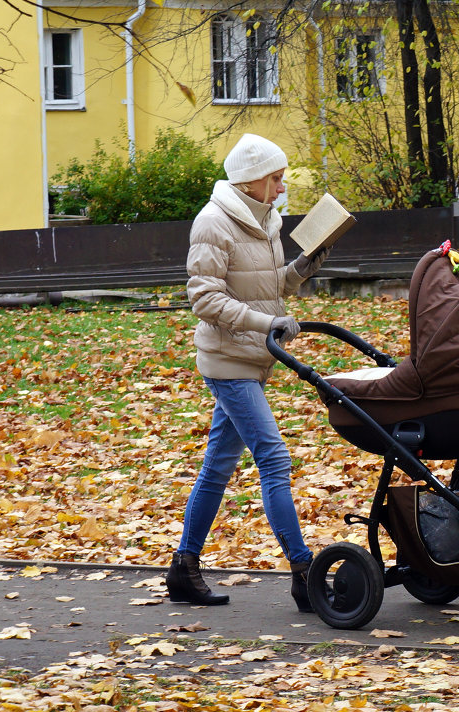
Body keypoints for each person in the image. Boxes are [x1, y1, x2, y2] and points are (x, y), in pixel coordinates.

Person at [166, 133, 328, 610]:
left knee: (217, 465)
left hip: (253, 358)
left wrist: (300, 269)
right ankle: (303, 572)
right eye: (275, 179)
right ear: (253, 180)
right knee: (274, 459)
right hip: (228, 360)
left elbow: (264, 286)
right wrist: (268, 325)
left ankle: (184, 569)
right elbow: (205, 298)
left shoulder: (265, 220)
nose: (281, 188)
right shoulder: (213, 223)